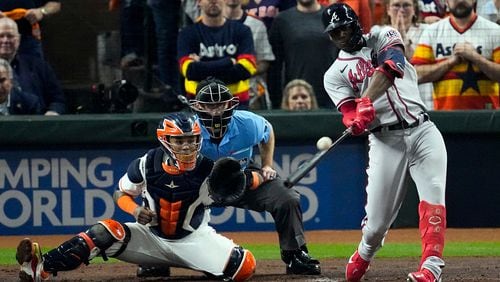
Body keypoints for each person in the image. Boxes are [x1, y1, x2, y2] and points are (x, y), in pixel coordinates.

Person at [15, 111, 256, 282]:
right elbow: (120, 192)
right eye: (180, 141)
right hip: (150, 237)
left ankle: (202, 265)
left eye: (191, 140)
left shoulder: (209, 170)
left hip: (192, 239)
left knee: (244, 267)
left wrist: (256, 177)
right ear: (165, 140)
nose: (187, 146)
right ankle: (40, 267)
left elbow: (239, 183)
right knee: (103, 231)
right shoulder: (146, 163)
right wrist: (134, 210)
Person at [322, 3, 447, 282]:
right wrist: (356, 121)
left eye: (344, 26)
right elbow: (348, 113)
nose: (341, 34)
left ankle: (432, 268)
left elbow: (393, 66)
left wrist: (366, 99)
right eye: (335, 31)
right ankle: (365, 251)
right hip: (385, 141)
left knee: (434, 198)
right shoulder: (333, 74)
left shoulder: (383, 34)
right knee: (376, 226)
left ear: (356, 23)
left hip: (423, 131)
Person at [190, 77, 322, 275]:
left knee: (287, 197)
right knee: (164, 196)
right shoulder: (189, 128)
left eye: (220, 104)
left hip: (242, 176)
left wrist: (267, 164)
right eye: (210, 105)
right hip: (198, 181)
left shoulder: (248, 123)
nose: (216, 111)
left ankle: (295, 254)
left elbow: (267, 131)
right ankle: (158, 258)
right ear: (199, 105)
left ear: (229, 103)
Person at [412, 0, 500, 110]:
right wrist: (451, 62)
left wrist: (475, 58)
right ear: (446, 1)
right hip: (446, 116)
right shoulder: (432, 31)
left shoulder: (494, 31)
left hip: (487, 116)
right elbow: (417, 75)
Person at [177, 0, 257, 109]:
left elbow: (246, 69)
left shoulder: (242, 31)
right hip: (199, 105)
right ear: (198, 2)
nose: (213, 1)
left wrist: (201, 66)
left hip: (236, 105)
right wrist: (229, 62)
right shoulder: (187, 34)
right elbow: (189, 71)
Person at [268, 0, 338, 109]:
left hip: (332, 94)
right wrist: (277, 102)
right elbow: (274, 67)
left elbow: (345, 55)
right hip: (296, 97)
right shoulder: (282, 20)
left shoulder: (333, 16)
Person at [0, 17, 65, 115]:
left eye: (10, 36)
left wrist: (52, 114)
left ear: (19, 39)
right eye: (1, 36)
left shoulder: (40, 66)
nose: (5, 40)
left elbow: (58, 100)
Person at [224, 0, 275, 110]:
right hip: (217, 89)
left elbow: (264, 62)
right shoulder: (206, 24)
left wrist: (238, 72)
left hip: (251, 91)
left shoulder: (257, 24)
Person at [383, 0, 434, 109]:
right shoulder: (378, 32)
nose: (401, 10)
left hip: (422, 95)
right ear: (388, 9)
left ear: (414, 9)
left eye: (406, 5)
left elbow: (418, 66)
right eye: (396, 5)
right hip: (392, 98)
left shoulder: (427, 31)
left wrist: (405, 41)